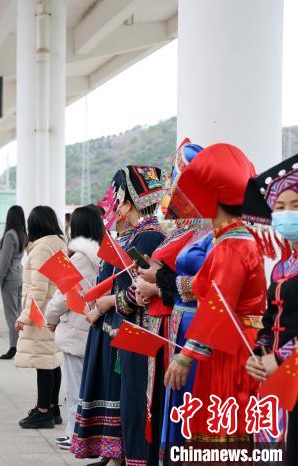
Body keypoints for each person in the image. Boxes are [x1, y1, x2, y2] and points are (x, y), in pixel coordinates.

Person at [162, 144, 265, 446]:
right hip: (225, 341)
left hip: (231, 346)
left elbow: (219, 303)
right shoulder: (228, 239)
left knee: (223, 430)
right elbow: (202, 286)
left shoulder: (233, 244)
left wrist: (185, 355)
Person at [73, 165, 167, 466]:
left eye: (118, 199)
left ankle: (127, 456)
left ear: (130, 201)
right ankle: (115, 454)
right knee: (118, 396)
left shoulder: (149, 236)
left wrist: (104, 303)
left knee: (130, 397)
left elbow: (138, 291)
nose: (113, 206)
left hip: (133, 329)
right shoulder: (130, 235)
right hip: (113, 327)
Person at [131, 141, 211, 461]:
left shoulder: (212, 234)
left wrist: (157, 283)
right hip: (175, 323)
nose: (177, 195)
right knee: (173, 403)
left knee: (189, 404)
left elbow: (208, 286)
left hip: (192, 324)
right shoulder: (187, 231)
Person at [243, 153, 297, 464]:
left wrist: (280, 359)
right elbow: (269, 320)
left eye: (295, 205)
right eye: (280, 207)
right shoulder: (280, 267)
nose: (287, 213)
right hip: (274, 378)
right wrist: (259, 354)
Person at [44, 205, 103, 449]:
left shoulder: (79, 259)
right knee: (87, 386)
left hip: (75, 329)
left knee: (75, 387)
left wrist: (50, 317)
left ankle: (75, 435)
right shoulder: (101, 257)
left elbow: (61, 296)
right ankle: (79, 433)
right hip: (91, 327)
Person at [14, 205, 66, 429]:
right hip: (52, 309)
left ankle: (43, 411)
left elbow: (38, 288)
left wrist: (24, 316)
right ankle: (52, 408)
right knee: (52, 360)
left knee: (43, 362)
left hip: (41, 312)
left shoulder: (41, 248)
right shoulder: (58, 242)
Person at [0, 205, 27, 360]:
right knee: (19, 312)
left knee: (11, 314)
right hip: (19, 274)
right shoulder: (22, 234)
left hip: (10, 277)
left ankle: (14, 346)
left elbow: (4, 261)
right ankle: (22, 343)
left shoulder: (9, 235)